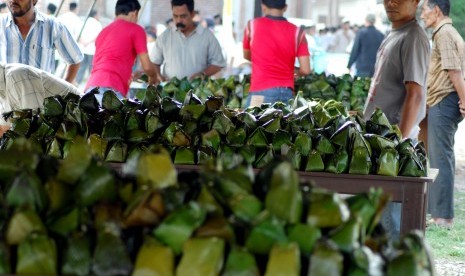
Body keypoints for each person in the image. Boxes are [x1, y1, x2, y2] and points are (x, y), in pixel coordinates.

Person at [363, 0, 430, 239]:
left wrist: (396, 143)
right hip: (380, 142)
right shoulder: (395, 33)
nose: (392, 3)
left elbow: (416, 93)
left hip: (393, 146)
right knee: (380, 219)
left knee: (392, 222)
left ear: (416, 2)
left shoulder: (413, 37)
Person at [421, 0, 465, 228]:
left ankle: (443, 217)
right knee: (438, 157)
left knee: (441, 159)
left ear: (436, 10)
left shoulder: (444, 33)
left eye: (424, 10)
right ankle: (436, 212)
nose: (422, 15)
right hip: (442, 101)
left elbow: (454, 70)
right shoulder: (447, 31)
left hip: (444, 100)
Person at [242, 0, 310, 107]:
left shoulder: (252, 26)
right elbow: (305, 70)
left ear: (263, 7)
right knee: (283, 123)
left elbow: (247, 55)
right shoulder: (298, 32)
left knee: (253, 123)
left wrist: (263, 61)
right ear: (285, 8)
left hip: (260, 93)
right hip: (287, 94)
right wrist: (289, 70)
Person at [85, 0, 157, 100]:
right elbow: (147, 67)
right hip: (111, 90)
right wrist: (154, 77)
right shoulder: (136, 29)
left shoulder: (104, 31)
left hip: (90, 88)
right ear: (134, 13)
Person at [0, 0, 83, 84]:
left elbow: (75, 59)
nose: (13, 0)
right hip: (7, 96)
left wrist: (63, 93)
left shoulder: (53, 26)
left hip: (42, 96)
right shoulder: (1, 25)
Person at [151, 0, 225, 82]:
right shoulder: (165, 36)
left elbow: (218, 64)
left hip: (198, 91)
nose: (178, 20)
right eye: (175, 16)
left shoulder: (207, 36)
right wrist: (158, 75)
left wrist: (202, 74)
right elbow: (154, 62)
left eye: (183, 16)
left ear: (192, 14)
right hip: (170, 91)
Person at [0, 63, 80, 134]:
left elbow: (34, 129)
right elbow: (4, 129)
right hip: (65, 128)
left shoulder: (16, 76)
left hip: (83, 121)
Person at [75, 10, 103, 85]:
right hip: (92, 50)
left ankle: (77, 84)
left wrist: (84, 42)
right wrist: (88, 42)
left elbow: (78, 34)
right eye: (98, 14)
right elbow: (98, 37)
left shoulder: (83, 22)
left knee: (81, 68)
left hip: (82, 49)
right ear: (95, 15)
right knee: (92, 70)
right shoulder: (97, 24)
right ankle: (91, 86)